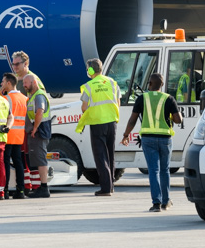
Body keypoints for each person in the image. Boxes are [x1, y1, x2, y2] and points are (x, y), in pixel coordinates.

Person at [121, 73, 182, 211]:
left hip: (148, 139)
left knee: (153, 170)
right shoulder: (169, 99)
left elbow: (132, 120)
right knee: (165, 170)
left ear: (149, 84)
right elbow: (178, 120)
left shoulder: (142, 98)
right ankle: (166, 202)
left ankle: (156, 204)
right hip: (165, 139)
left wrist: (125, 135)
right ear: (162, 85)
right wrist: (179, 115)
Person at [76, 58, 122, 196]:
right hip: (112, 123)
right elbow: (118, 103)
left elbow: (84, 108)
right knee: (110, 154)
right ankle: (111, 185)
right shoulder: (112, 83)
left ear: (90, 70)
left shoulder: (89, 86)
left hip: (97, 123)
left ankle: (106, 188)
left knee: (101, 156)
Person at [23, 73, 52, 198]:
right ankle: (42, 186)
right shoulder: (34, 95)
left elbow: (40, 111)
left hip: (39, 132)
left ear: (33, 82)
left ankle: (44, 188)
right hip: (38, 131)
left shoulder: (39, 95)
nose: (24, 86)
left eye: (26, 83)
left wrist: (34, 129)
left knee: (41, 160)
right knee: (38, 159)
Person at [0, 72, 28, 199]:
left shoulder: (6, 98)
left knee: (5, 162)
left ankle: (5, 190)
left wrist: (1, 90)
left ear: (8, 83)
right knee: (18, 163)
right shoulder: (24, 98)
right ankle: (20, 190)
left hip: (8, 134)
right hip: (19, 135)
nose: (1, 83)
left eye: (3, 81)